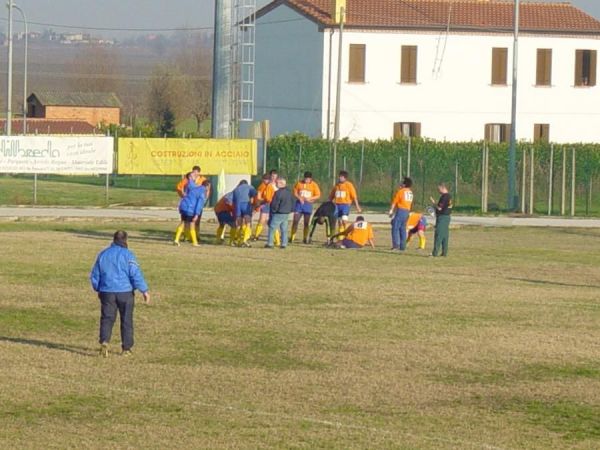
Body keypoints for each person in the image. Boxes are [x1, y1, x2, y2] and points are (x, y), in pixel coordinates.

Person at [90, 230, 150, 357]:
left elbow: (95, 274)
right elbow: (135, 273)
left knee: (107, 318)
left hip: (107, 291)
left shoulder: (103, 254)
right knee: (126, 320)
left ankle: (104, 341)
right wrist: (143, 290)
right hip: (125, 292)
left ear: (114, 239)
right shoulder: (128, 255)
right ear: (125, 240)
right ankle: (126, 348)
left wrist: (98, 288)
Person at [173, 172, 207, 247]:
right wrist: (197, 214)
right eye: (194, 175)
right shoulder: (200, 190)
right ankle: (195, 242)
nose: (196, 177)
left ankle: (176, 239)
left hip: (184, 206)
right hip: (190, 208)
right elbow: (199, 204)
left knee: (183, 222)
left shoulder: (189, 185)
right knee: (192, 224)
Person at [290, 171, 321, 244]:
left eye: (308, 179)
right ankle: (292, 237)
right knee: (295, 221)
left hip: (308, 205)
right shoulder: (299, 183)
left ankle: (305, 238)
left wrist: (310, 198)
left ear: (310, 179)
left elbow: (318, 195)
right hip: (299, 204)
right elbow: (295, 191)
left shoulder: (314, 185)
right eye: (305, 178)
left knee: (306, 223)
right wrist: (299, 197)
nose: (306, 180)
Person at [266, 178, 293, 249]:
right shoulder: (289, 192)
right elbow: (292, 202)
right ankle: (284, 244)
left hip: (278, 213)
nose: (276, 184)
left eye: (277, 183)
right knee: (284, 229)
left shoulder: (278, 193)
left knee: (272, 227)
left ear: (281, 184)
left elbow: (274, 204)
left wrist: (273, 211)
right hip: (286, 213)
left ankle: (270, 243)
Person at [389, 177, 414, 251]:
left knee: (395, 228)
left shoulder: (401, 191)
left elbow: (395, 201)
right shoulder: (410, 192)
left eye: (402, 182)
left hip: (401, 210)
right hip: (407, 211)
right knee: (402, 228)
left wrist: (391, 210)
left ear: (404, 184)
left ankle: (396, 245)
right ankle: (403, 246)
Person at [252, 170, 278, 242]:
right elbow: (259, 196)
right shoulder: (262, 186)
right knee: (262, 220)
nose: (266, 180)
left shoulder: (277, 184)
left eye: (267, 179)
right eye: (264, 179)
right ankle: (256, 236)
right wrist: (260, 203)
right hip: (266, 204)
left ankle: (277, 240)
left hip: (273, 204)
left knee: (273, 221)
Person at [232, 180, 257, 247]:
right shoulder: (250, 187)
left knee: (239, 225)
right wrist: (255, 206)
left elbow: (233, 200)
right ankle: (245, 240)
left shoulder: (236, 189)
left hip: (238, 205)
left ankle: (237, 240)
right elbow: (255, 196)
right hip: (246, 204)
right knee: (248, 223)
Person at [430, 183, 453, 257]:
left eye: (439, 189)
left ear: (443, 188)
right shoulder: (449, 196)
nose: (438, 191)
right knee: (445, 236)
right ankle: (444, 252)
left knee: (439, 235)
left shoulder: (444, 197)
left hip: (442, 217)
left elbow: (439, 208)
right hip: (447, 217)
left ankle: (435, 253)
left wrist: (433, 203)